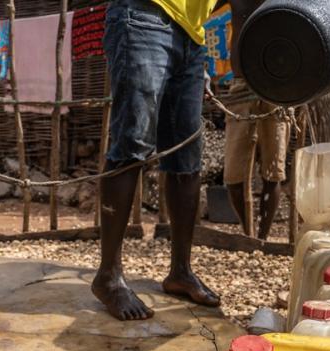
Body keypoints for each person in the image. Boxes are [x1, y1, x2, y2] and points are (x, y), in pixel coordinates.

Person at [93, 0, 229, 321]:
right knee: (132, 146)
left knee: (187, 156)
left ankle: (180, 272)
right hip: (144, 14)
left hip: (193, 34)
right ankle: (108, 277)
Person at [223, 77, 290, 239]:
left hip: (278, 92)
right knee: (233, 177)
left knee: (273, 174)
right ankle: (248, 233)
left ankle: (262, 237)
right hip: (241, 93)